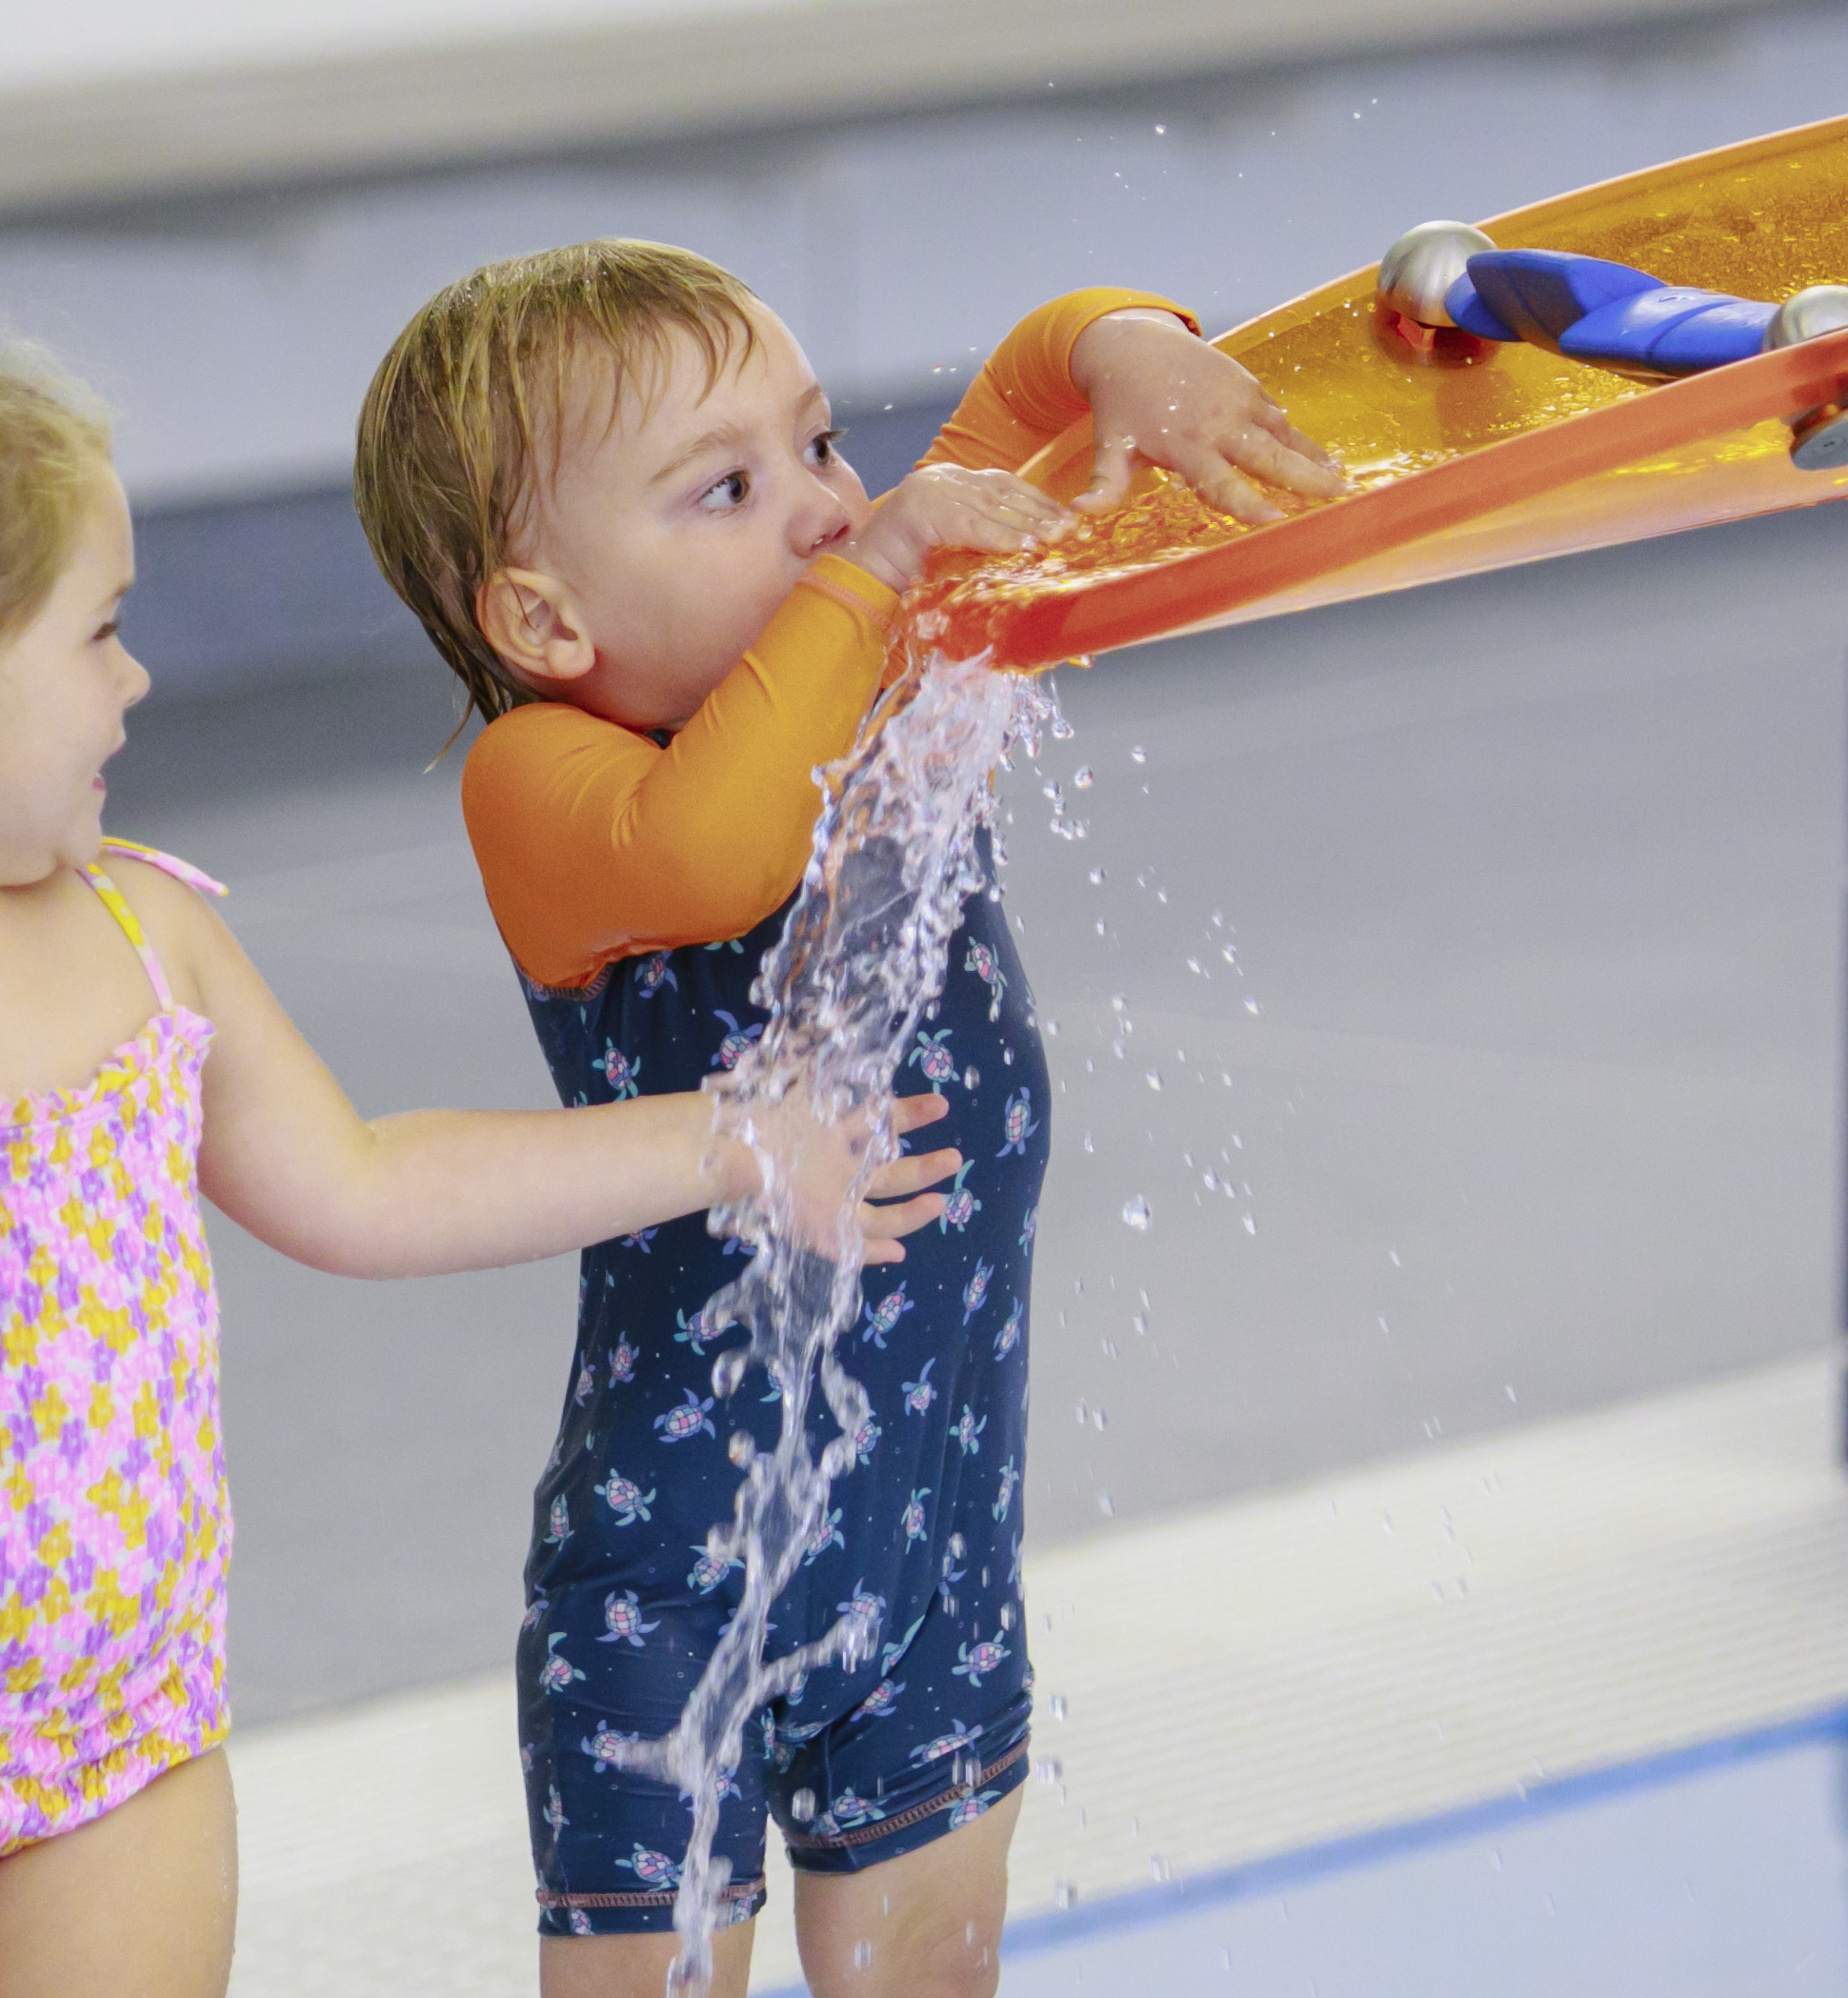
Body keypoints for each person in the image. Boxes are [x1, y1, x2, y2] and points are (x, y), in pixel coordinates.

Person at [0, 334, 960, 1998]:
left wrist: (730, 1141)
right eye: (96, 630)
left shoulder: (140, 928)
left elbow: (366, 1184)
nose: (137, 680)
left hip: (129, 1724)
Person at [353, 240, 1341, 1997]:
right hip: (673, 1578)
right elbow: (712, 850)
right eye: (727, 487)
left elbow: (1039, 383)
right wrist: (879, 566)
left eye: (819, 444)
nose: (822, 507)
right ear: (544, 620)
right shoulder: (551, 776)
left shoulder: (851, 637)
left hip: (936, 1545)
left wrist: (1131, 348)